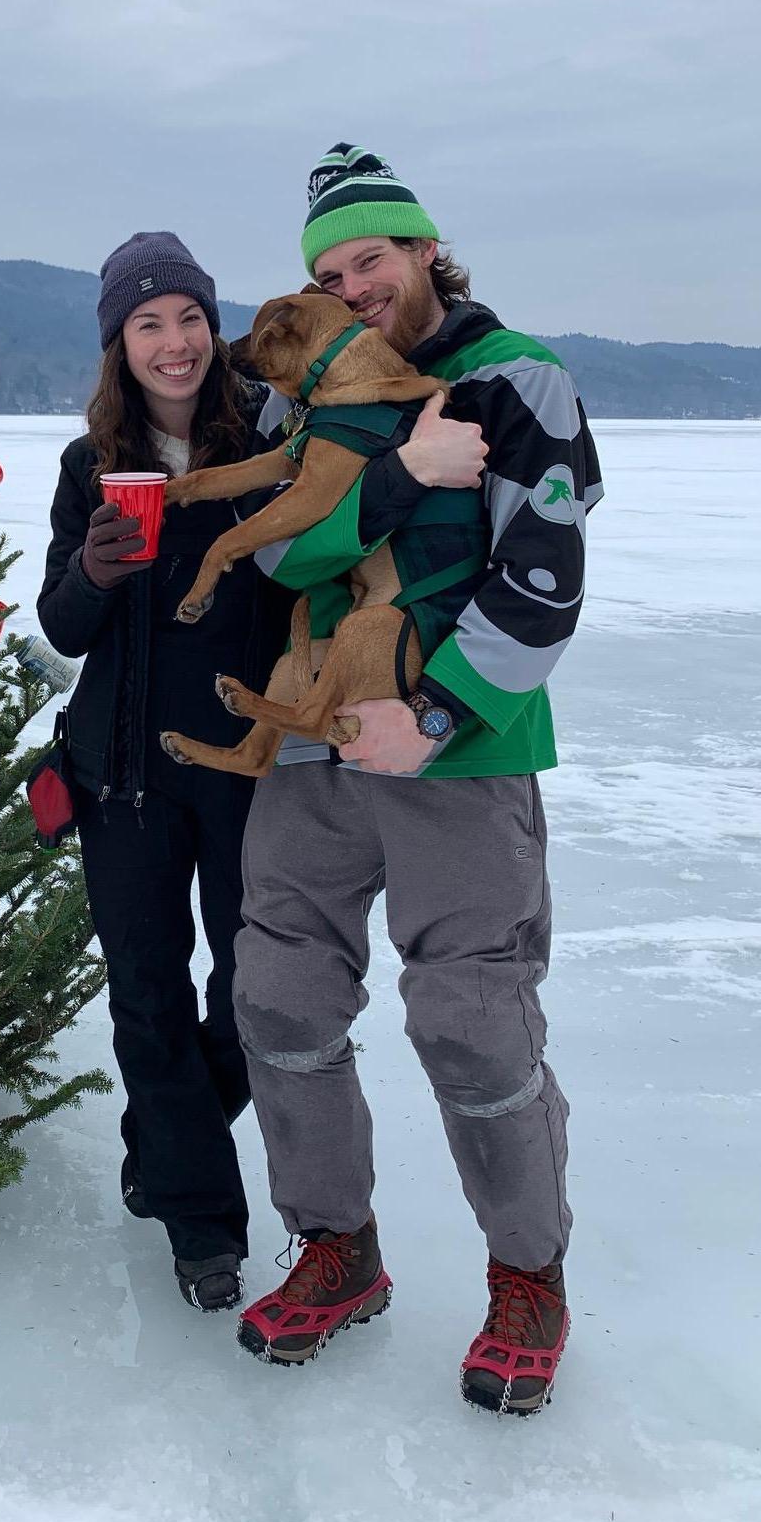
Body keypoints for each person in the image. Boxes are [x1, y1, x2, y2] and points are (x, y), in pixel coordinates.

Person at [230, 144, 603, 1417]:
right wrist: (395, 480)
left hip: (465, 756)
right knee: (277, 997)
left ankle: (527, 1275)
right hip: (313, 746)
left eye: (370, 260)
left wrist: (437, 714)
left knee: (468, 1020)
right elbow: (281, 563)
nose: (354, 285)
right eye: (329, 272)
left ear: (427, 248)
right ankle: (336, 1249)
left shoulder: (517, 379)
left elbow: (544, 574)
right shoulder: (311, 396)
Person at [35, 231, 296, 1315]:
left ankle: (160, 1135)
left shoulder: (276, 436)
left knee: (250, 1001)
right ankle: (202, 1228)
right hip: (123, 777)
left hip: (246, 770)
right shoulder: (89, 464)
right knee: (147, 999)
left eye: (188, 317)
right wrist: (93, 571)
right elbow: (60, 625)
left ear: (212, 325)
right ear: (119, 343)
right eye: (148, 323)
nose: (174, 342)